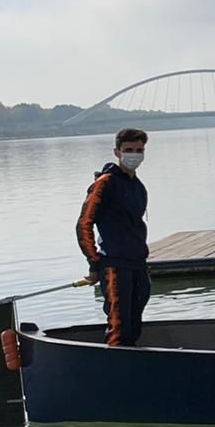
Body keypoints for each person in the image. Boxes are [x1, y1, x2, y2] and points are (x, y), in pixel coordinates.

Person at [76, 127, 150, 347]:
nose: (134, 155)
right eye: (129, 150)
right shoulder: (105, 183)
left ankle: (132, 363)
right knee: (119, 326)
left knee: (134, 324)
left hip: (138, 264)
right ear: (117, 152)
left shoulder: (138, 187)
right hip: (114, 265)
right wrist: (94, 263)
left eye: (139, 150)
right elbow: (84, 224)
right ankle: (116, 363)